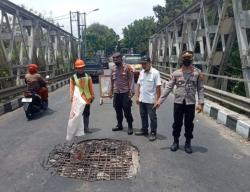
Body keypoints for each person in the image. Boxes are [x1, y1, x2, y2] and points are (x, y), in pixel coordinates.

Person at [154, 51, 204, 153]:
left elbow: (200, 89)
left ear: (191, 60)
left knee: (189, 124)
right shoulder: (176, 73)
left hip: (190, 103)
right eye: (185, 58)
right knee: (177, 123)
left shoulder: (197, 73)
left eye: (188, 58)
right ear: (182, 60)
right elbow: (168, 88)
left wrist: (200, 103)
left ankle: (188, 143)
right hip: (178, 102)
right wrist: (160, 101)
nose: (186, 60)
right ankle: (175, 142)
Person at [135, 56, 161, 141]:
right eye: (142, 64)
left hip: (151, 100)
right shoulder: (141, 72)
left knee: (152, 117)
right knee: (143, 115)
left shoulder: (155, 73)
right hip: (142, 99)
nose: (143, 65)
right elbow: (138, 85)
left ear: (150, 63)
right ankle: (144, 129)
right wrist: (137, 96)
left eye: (145, 64)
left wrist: (157, 100)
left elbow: (158, 87)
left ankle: (153, 132)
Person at [109, 52, 134, 135]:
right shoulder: (113, 69)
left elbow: (131, 79)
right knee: (117, 110)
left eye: (117, 58)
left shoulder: (127, 67)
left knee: (127, 110)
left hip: (125, 92)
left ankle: (130, 126)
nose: (115, 60)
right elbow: (111, 81)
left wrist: (131, 90)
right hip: (116, 92)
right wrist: (110, 91)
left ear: (121, 58)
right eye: (114, 59)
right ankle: (119, 125)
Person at [70, 59, 95, 133]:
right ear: (76, 68)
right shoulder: (73, 78)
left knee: (86, 114)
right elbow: (71, 88)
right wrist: (71, 98)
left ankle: (86, 128)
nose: (80, 69)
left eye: (81, 67)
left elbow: (91, 87)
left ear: (84, 68)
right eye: (78, 68)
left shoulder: (88, 77)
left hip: (87, 99)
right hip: (77, 99)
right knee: (78, 115)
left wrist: (92, 95)